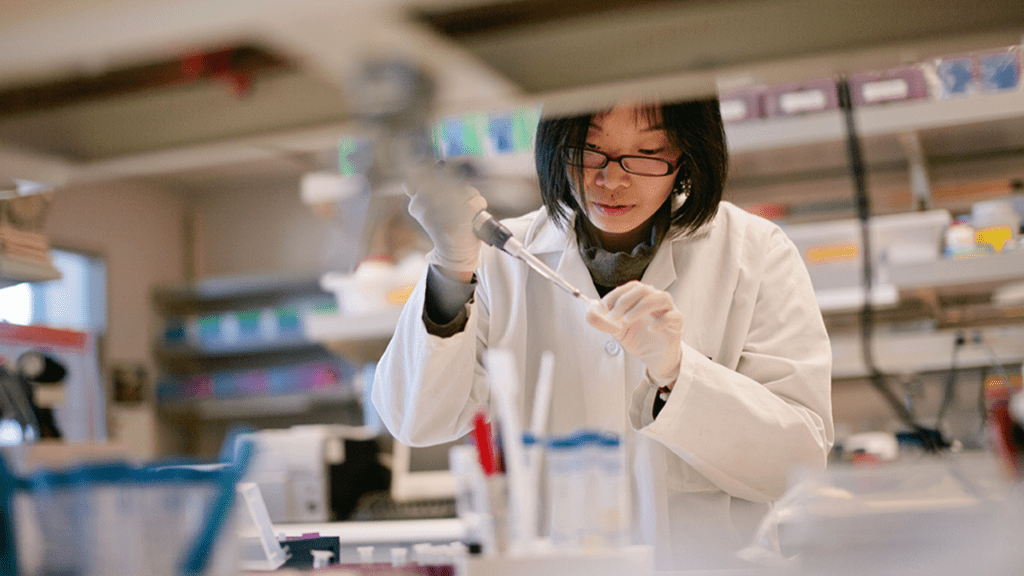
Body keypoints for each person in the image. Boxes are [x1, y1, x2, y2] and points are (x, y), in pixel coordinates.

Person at [372, 98, 834, 569]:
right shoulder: (497, 259)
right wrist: (453, 268)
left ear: (688, 157)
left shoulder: (754, 254)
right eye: (588, 151)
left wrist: (679, 373)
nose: (611, 180)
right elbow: (417, 418)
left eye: (648, 153)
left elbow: (797, 464)